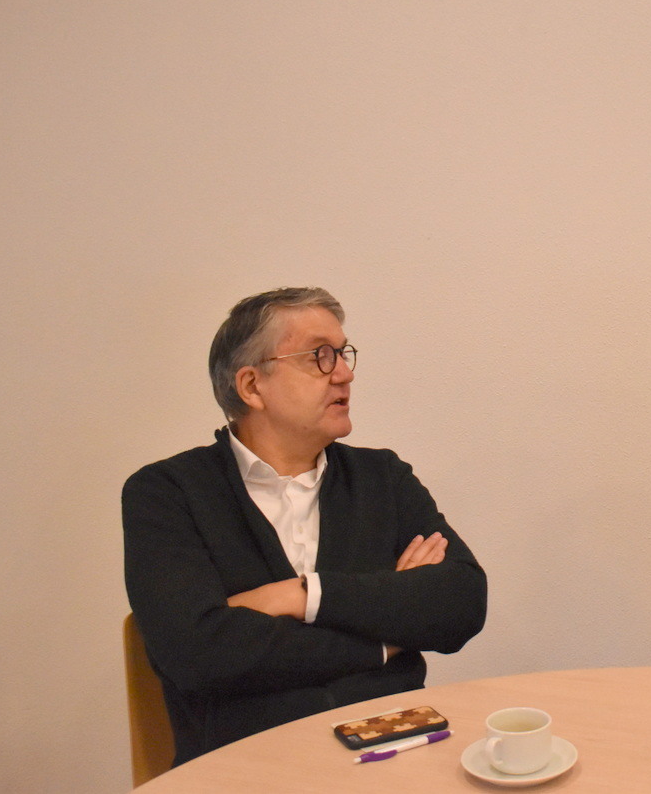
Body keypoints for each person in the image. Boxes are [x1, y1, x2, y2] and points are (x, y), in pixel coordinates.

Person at [123, 287, 487, 764]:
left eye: (343, 353)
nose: (345, 373)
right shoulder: (167, 493)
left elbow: (461, 602)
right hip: (248, 767)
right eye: (320, 356)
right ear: (252, 386)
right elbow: (196, 653)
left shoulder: (382, 477)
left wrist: (300, 596)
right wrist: (385, 639)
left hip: (397, 751)